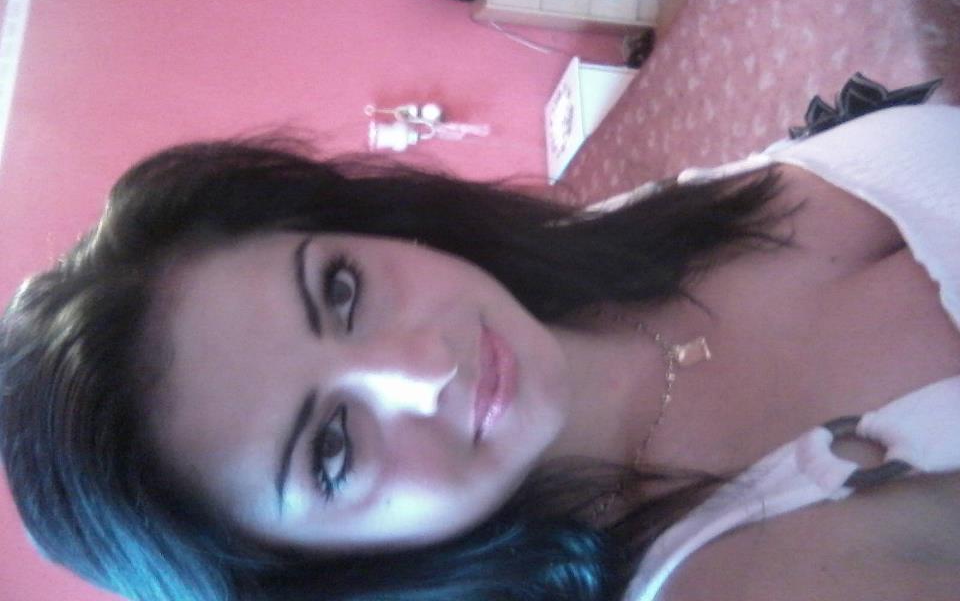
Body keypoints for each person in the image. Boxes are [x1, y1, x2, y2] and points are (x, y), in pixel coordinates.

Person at [1, 77, 958, 601]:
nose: (424, 367)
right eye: (330, 450)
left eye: (341, 290)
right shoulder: (732, 579)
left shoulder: (600, 244)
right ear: (332, 571)